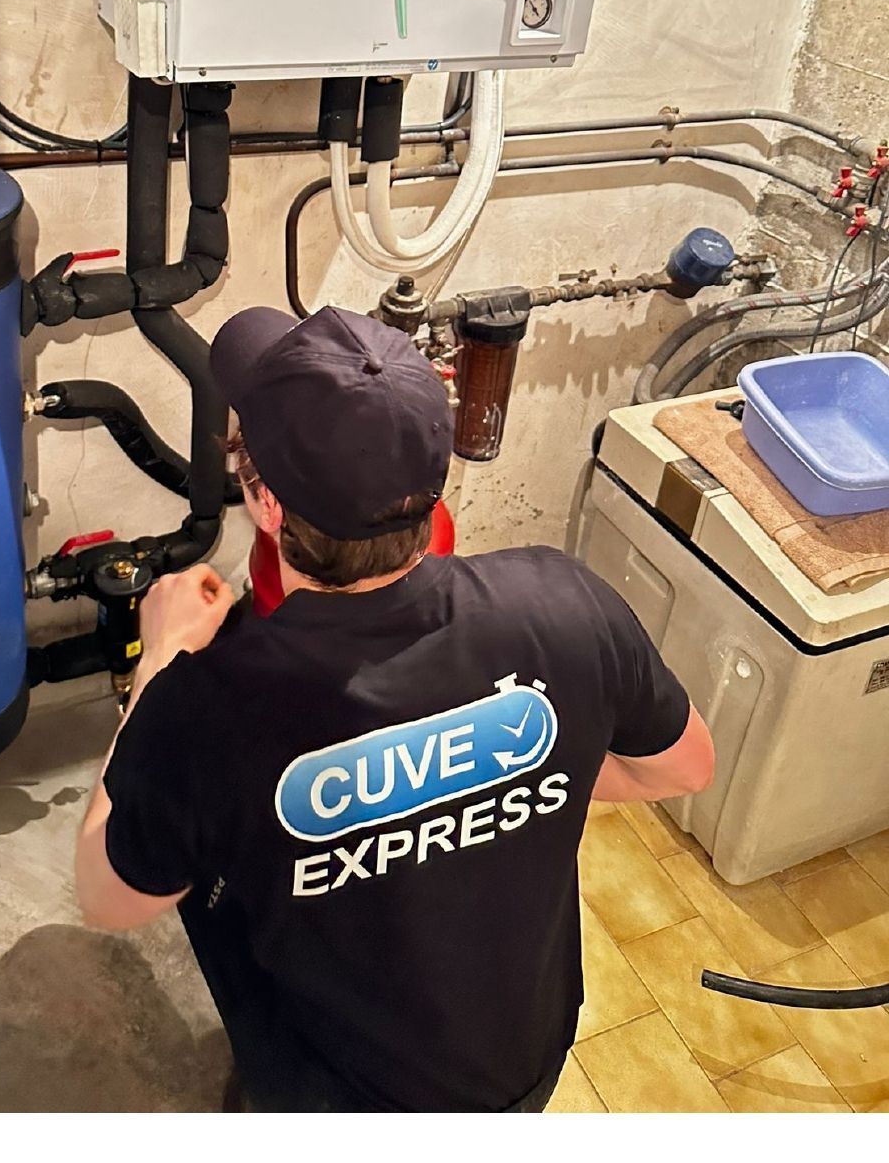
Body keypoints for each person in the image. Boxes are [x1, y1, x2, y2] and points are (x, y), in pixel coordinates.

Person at [75, 305, 714, 1113]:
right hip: (521, 1069)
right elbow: (686, 766)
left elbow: (109, 896)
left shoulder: (210, 704)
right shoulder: (564, 606)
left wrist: (160, 659)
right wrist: (487, 779)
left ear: (267, 504)